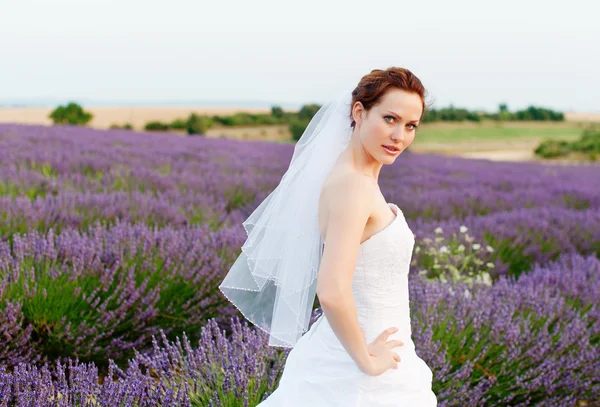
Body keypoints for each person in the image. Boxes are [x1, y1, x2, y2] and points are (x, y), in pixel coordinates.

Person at [220, 67, 438, 406]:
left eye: (410, 126)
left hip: (369, 350)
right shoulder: (353, 186)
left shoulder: (354, 178)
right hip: (359, 367)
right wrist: (367, 360)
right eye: (390, 119)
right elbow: (332, 290)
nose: (399, 136)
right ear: (359, 112)